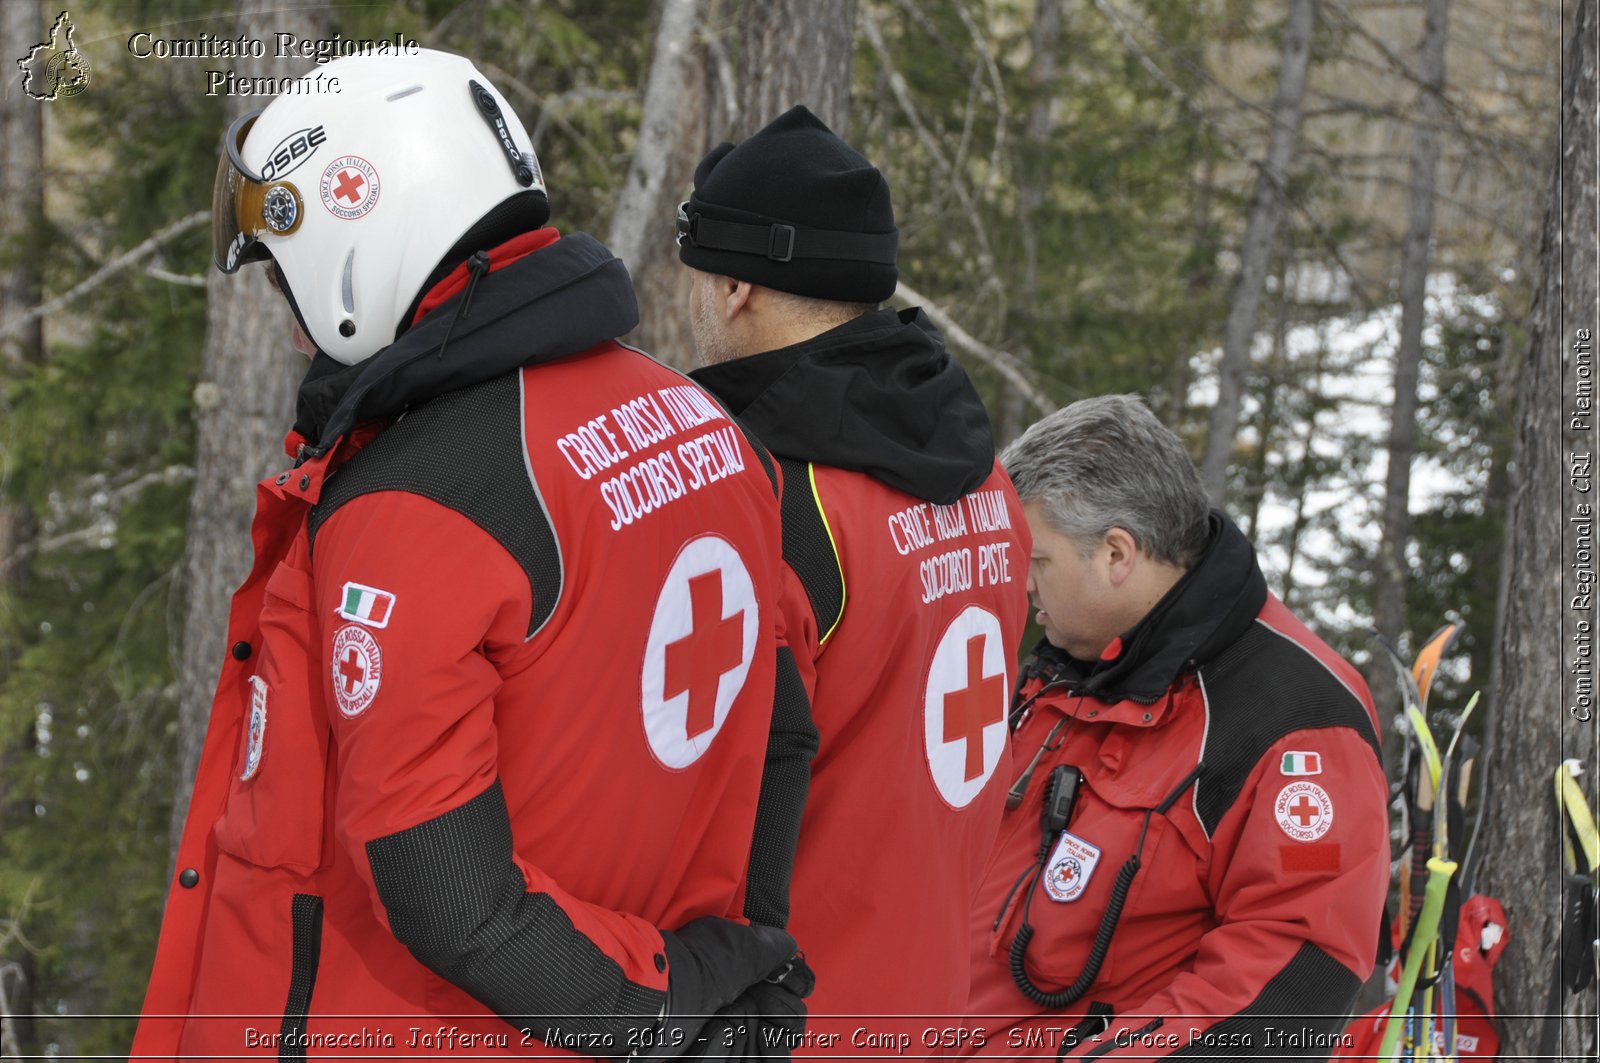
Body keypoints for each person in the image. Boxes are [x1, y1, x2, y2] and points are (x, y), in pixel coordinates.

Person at [134, 50, 813, 1061]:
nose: (290, 333)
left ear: (360, 243)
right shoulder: (701, 424)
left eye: (289, 283)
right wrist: (738, 961)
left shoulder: (418, 502)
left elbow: (452, 904)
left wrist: (664, 1014)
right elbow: (782, 728)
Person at [676, 106, 1031, 1050]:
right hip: (925, 994)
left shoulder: (772, 495)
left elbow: (706, 786)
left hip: (787, 1010)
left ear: (739, 283)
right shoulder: (985, 476)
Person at [962, 395, 1389, 1059]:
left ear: (1117, 553)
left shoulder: (1295, 716)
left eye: (1036, 561)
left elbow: (1297, 974)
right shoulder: (1067, 665)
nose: (1023, 586)